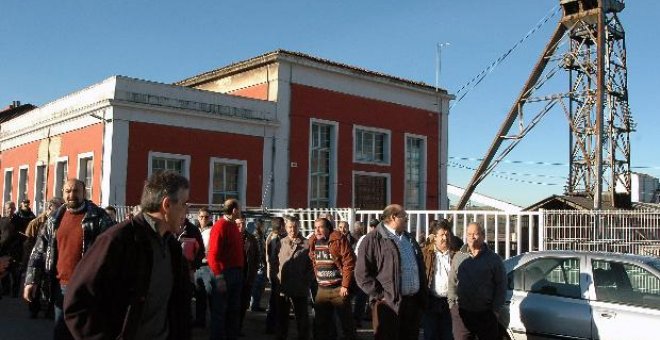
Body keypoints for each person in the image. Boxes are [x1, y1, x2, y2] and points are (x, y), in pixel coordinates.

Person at [63, 171, 192, 340]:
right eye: (184, 204)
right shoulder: (118, 240)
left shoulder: (172, 248)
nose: (187, 211)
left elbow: (178, 308)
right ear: (166, 205)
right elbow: (77, 302)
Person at [24, 179, 114, 340]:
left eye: (76, 191)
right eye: (68, 191)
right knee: (62, 333)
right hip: (61, 287)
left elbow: (112, 252)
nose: (71, 195)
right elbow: (38, 252)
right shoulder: (54, 220)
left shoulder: (99, 218)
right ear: (63, 193)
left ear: (84, 193)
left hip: (88, 287)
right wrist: (31, 281)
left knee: (86, 333)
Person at [355, 204, 427, 340]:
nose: (407, 220)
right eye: (404, 217)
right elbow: (361, 274)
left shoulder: (408, 238)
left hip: (412, 304)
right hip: (389, 305)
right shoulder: (372, 239)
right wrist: (382, 295)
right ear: (394, 217)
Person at [448, 222, 506, 340]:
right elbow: (452, 283)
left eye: (475, 234)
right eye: (469, 234)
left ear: (483, 236)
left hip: (486, 315)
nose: (472, 237)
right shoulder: (458, 257)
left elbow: (501, 286)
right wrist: (452, 305)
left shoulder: (494, 259)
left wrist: (495, 311)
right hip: (461, 314)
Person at [308, 217, 357, 340]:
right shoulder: (313, 241)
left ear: (328, 228)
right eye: (315, 227)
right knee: (320, 323)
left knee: (346, 323)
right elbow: (313, 260)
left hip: (338, 288)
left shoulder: (338, 239)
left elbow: (349, 262)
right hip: (322, 289)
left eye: (320, 227)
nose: (317, 230)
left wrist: (345, 285)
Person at [207, 199, 244, 340]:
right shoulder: (220, 226)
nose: (240, 211)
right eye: (239, 209)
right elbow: (212, 255)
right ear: (234, 210)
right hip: (225, 274)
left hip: (235, 273)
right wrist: (218, 276)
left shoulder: (233, 225)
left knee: (233, 311)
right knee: (220, 312)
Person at [22, 197, 65, 318]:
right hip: (40, 258)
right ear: (51, 207)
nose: (63, 207)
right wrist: (28, 261)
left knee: (51, 286)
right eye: (60, 205)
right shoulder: (37, 222)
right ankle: (33, 308)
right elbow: (29, 242)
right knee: (37, 283)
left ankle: (50, 309)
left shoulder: (62, 221)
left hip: (54, 260)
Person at [277, 215, 313, 340]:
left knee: (302, 317)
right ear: (286, 228)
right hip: (283, 287)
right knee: (282, 317)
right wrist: (276, 279)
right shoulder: (281, 242)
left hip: (300, 286)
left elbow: (312, 267)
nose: (293, 230)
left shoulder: (307, 244)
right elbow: (274, 262)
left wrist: (306, 281)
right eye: (290, 227)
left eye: (295, 227)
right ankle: (281, 336)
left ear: (299, 227)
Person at [422, 220, 454, 340]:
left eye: (447, 234)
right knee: (430, 335)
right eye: (442, 235)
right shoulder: (425, 253)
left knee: (448, 336)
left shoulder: (456, 254)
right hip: (431, 302)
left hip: (450, 303)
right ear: (434, 237)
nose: (445, 238)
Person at [176, 211, 206, 328]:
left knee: (186, 297)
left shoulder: (193, 230)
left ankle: (186, 321)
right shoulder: (169, 226)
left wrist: (193, 265)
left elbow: (201, 251)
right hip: (172, 271)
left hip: (188, 271)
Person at [352, 218, 379, 327]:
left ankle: (367, 317)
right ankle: (357, 318)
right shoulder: (365, 238)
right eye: (372, 226)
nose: (373, 228)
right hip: (366, 271)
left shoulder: (374, 238)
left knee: (369, 296)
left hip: (371, 271)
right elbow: (357, 254)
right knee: (362, 296)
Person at [237, 216, 258, 334]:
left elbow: (256, 257)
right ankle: (231, 328)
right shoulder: (231, 237)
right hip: (234, 276)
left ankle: (238, 328)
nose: (241, 226)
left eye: (243, 224)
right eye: (238, 224)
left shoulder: (251, 238)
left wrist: (253, 274)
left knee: (243, 304)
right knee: (233, 304)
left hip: (247, 276)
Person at [193, 207, 213, 328]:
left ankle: (214, 322)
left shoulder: (212, 230)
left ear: (210, 218)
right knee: (199, 295)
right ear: (198, 217)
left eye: (206, 217)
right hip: (197, 265)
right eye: (201, 217)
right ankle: (200, 321)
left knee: (210, 295)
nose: (204, 219)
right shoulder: (195, 230)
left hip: (208, 266)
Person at [265, 216, 285, 334]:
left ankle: (271, 325)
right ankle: (272, 326)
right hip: (277, 273)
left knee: (274, 300)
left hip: (274, 273)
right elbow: (272, 258)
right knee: (276, 301)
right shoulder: (275, 239)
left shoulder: (271, 237)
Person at [0, 201, 23, 298]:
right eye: (9, 208)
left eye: (12, 208)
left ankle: (15, 291)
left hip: (15, 250)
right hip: (3, 249)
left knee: (15, 273)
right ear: (5, 209)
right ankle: (6, 289)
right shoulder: (2, 220)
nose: (10, 210)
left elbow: (23, 235)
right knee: (3, 271)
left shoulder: (19, 220)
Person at [250, 218, 268, 312]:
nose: (264, 227)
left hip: (260, 266)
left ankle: (255, 305)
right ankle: (254, 306)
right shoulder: (257, 237)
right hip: (259, 267)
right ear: (260, 226)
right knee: (257, 287)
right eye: (263, 225)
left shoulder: (260, 236)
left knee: (259, 288)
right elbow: (260, 253)